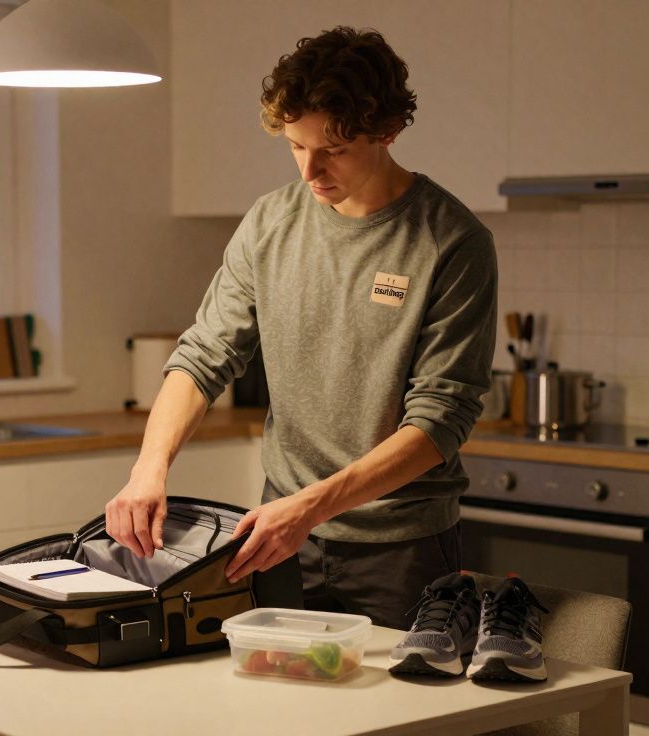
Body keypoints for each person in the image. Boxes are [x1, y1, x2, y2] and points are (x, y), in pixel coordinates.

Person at [105, 26, 496, 630]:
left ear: (388, 131)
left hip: (400, 548)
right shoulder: (270, 222)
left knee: (397, 695)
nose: (311, 170)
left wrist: (311, 507)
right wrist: (147, 470)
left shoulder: (452, 241)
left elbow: (440, 421)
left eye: (334, 149)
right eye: (295, 146)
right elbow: (205, 355)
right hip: (281, 535)